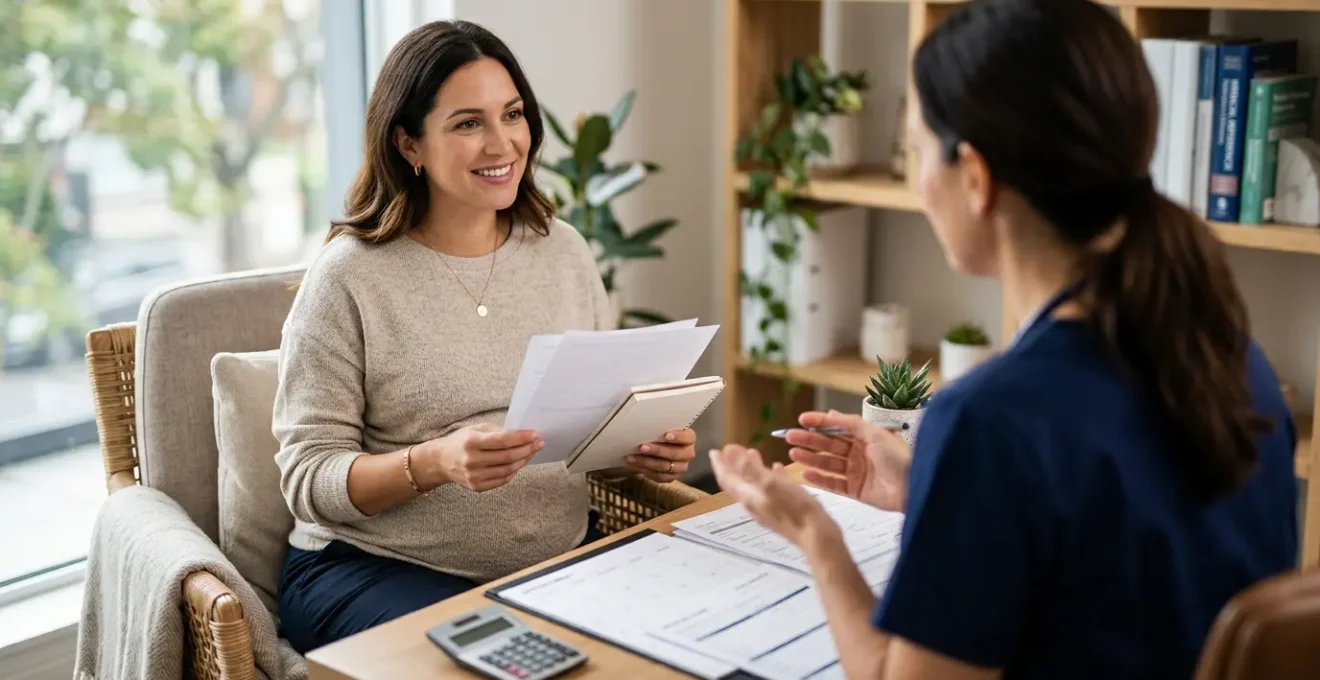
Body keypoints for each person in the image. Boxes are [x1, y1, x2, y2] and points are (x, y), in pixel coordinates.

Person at [710, 1, 1300, 678]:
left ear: (976, 178)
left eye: (916, 148)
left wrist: (814, 534)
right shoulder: (1228, 359)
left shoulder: (994, 420)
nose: (916, 175)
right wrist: (929, 487)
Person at [271, 20, 697, 654]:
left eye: (513, 114)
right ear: (409, 144)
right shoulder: (349, 277)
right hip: (375, 569)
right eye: (468, 123)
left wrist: (639, 444)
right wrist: (434, 463)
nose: (503, 144)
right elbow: (307, 477)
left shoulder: (563, 251)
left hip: (555, 558)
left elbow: (591, 427)